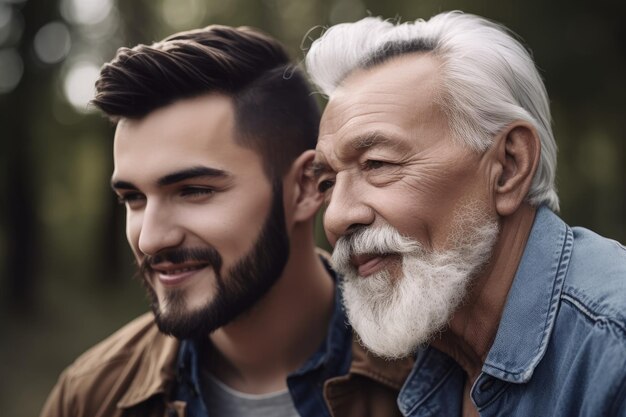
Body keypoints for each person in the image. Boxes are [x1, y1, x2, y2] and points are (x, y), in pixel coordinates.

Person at [305, 11, 626, 417]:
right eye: (328, 182)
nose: (335, 218)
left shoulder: (612, 349)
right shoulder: (431, 353)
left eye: (377, 163)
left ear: (509, 167)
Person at [40, 25, 362, 417]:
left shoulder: (436, 375)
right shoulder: (89, 398)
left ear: (307, 187)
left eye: (193, 191)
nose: (150, 240)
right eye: (133, 198)